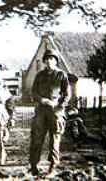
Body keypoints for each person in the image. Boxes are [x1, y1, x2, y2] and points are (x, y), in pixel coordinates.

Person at [29, 49, 70, 178]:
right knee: (36, 138)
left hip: (55, 111)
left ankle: (53, 166)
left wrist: (59, 106)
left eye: (51, 59)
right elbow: (33, 92)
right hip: (41, 110)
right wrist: (42, 99)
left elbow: (67, 94)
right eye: (46, 59)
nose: (49, 61)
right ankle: (34, 166)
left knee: (55, 140)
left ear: (56, 61)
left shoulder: (61, 75)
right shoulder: (39, 75)